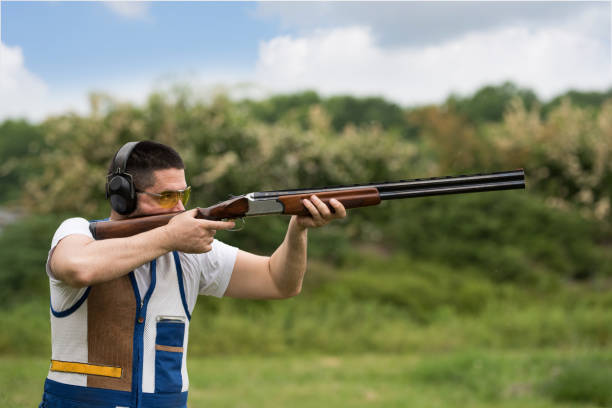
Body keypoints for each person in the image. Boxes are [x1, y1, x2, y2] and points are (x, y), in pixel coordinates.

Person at [39, 141, 346, 408]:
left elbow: (279, 282)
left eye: (182, 195)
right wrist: (171, 238)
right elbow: (79, 267)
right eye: (166, 197)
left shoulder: (190, 251)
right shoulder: (79, 232)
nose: (179, 209)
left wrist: (298, 229)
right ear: (123, 196)